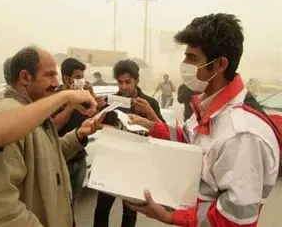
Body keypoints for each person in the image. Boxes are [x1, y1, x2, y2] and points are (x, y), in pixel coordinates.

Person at [125, 13, 280, 227]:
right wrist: (153, 127)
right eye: (185, 56)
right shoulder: (208, 105)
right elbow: (190, 142)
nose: (184, 65)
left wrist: (168, 216)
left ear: (220, 65)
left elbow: (234, 219)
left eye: (193, 58)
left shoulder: (242, 135)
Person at [0, 33, 97, 227]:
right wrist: (64, 98)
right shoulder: (8, 114)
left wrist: (78, 135)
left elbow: (45, 157)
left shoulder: (30, 112)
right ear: (25, 77)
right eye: (50, 75)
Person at [93, 59, 165, 227]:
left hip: (136, 165)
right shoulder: (110, 100)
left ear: (137, 81)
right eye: (120, 82)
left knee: (131, 210)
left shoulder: (149, 103)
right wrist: (97, 110)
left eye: (128, 82)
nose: (124, 87)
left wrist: (148, 114)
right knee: (102, 208)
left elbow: (162, 133)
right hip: (111, 162)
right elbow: (97, 125)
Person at [52, 58, 94, 206]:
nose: (81, 81)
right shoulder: (53, 98)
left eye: (82, 77)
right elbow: (54, 126)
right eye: (77, 77)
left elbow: (90, 120)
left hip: (80, 159)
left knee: (72, 204)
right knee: (58, 206)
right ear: (66, 78)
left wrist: (94, 103)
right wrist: (70, 106)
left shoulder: (82, 96)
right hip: (60, 162)